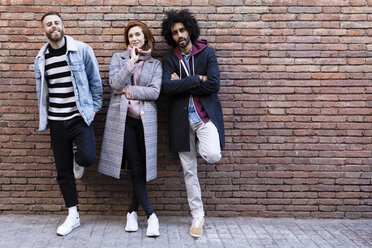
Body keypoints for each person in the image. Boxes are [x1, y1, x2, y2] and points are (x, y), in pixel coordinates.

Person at [34, 11, 103, 236]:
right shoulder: (41, 58)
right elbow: (43, 92)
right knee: (63, 171)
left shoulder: (81, 50)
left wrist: (93, 108)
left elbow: (95, 82)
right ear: (44, 30)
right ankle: (73, 214)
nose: (53, 27)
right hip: (56, 121)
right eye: (49, 24)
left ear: (63, 26)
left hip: (79, 117)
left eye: (56, 23)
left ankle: (78, 158)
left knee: (88, 157)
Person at [161, 9, 225, 238]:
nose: (179, 35)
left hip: (203, 118)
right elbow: (166, 88)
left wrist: (185, 81)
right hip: (180, 121)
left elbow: (214, 85)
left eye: (182, 30)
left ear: (190, 30)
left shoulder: (207, 53)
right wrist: (198, 79)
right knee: (189, 171)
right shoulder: (169, 59)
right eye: (175, 32)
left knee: (212, 155)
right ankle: (197, 216)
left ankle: (201, 143)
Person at [98, 21, 162, 237]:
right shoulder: (119, 58)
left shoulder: (155, 64)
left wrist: (128, 91)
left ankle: (132, 212)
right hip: (123, 121)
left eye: (138, 35)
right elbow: (114, 85)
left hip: (146, 123)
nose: (134, 38)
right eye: (131, 36)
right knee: (135, 167)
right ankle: (152, 216)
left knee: (142, 169)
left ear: (146, 38)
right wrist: (131, 63)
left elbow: (154, 92)